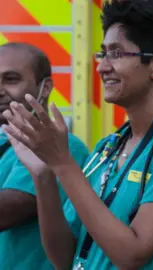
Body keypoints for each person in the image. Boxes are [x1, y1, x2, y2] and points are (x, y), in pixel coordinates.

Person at [1, 1, 153, 269]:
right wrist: (43, 176)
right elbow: (65, 258)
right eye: (102, 54)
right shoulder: (108, 147)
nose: (102, 67)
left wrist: (62, 163)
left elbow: (132, 255)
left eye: (116, 54)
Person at [0, 42, 90, 269]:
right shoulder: (6, 143)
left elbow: (8, 210)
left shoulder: (63, 146)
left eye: (11, 79)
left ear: (46, 87)